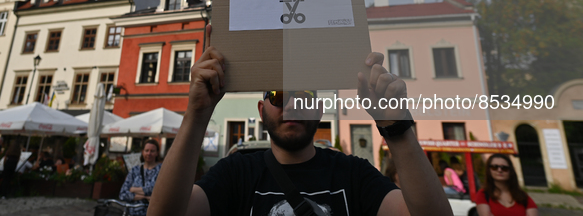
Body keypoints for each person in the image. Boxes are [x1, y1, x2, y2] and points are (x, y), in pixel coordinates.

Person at [148, 25, 452, 216]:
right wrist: (197, 115)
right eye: (278, 95)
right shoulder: (235, 174)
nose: (292, 106)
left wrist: (396, 128)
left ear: (318, 110)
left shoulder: (353, 174)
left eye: (303, 96)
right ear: (260, 110)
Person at [120, 139, 162, 216]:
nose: (149, 153)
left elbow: (158, 191)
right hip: (131, 213)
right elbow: (123, 194)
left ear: (157, 153)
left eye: (152, 151)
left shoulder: (162, 170)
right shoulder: (135, 170)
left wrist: (133, 189)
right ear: (143, 152)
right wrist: (145, 197)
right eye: (147, 150)